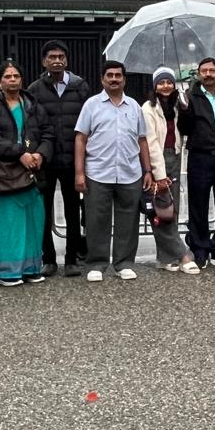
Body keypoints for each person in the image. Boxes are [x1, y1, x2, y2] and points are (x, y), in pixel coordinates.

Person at [75, 60, 154, 283]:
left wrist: (147, 170)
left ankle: (124, 262)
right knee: (96, 219)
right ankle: (97, 263)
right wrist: (79, 173)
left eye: (118, 75)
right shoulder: (91, 105)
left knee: (128, 219)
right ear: (102, 79)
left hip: (130, 171)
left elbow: (142, 140)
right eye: (109, 75)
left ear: (124, 79)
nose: (114, 79)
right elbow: (81, 139)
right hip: (98, 171)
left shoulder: (134, 106)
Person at [0, 61, 55, 287]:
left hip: (34, 172)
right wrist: (20, 153)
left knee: (33, 222)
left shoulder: (32, 104)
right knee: (9, 224)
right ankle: (6, 272)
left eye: (16, 76)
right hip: (6, 174)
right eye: (7, 76)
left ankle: (30, 268)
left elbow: (48, 133)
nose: (12, 80)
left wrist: (41, 154)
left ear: (22, 79)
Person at [28, 40, 90, 277]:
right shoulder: (35, 89)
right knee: (43, 211)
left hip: (72, 158)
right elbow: (32, 124)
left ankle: (72, 258)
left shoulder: (79, 86)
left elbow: (88, 122)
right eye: (52, 57)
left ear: (66, 60)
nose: (57, 60)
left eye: (60, 57)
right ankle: (49, 258)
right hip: (45, 159)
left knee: (73, 209)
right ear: (44, 61)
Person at [179, 57, 215, 269]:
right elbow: (184, 129)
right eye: (204, 71)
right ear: (198, 74)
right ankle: (200, 248)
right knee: (198, 205)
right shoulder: (190, 97)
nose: (208, 74)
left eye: (212, 70)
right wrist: (184, 111)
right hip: (200, 156)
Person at [143, 67, 200, 275]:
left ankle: (164, 257)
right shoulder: (148, 109)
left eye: (169, 82)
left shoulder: (178, 105)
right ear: (154, 85)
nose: (165, 86)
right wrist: (159, 175)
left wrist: (186, 109)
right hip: (157, 158)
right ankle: (183, 254)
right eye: (161, 82)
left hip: (175, 156)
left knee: (170, 209)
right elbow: (151, 142)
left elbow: (185, 130)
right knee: (162, 207)